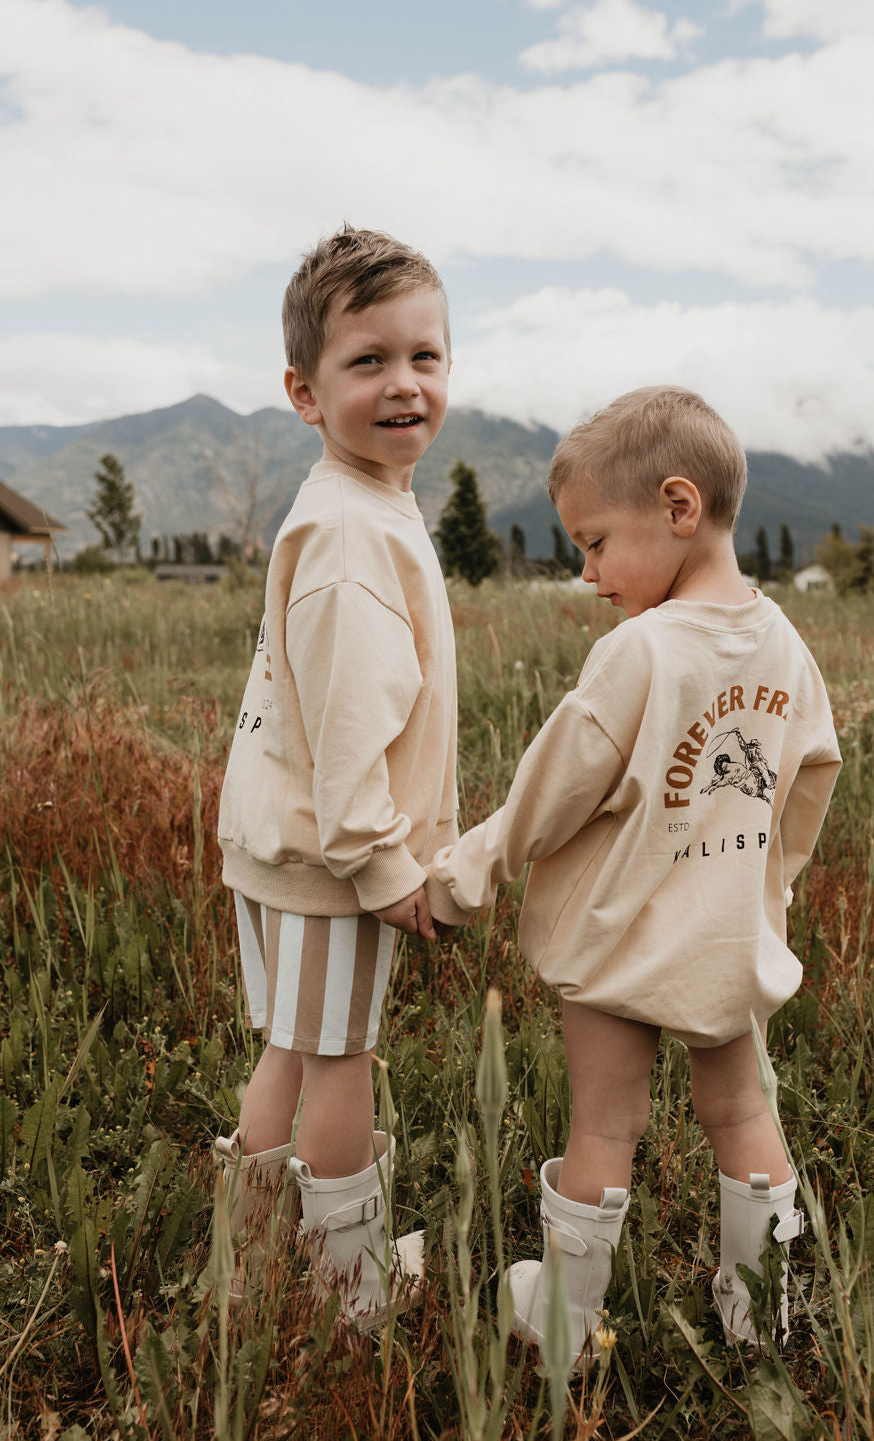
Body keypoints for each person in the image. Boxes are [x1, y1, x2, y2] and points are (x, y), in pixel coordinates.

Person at [426, 386, 841, 1362]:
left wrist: (459, 877)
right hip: (728, 941)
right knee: (742, 1111)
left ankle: (560, 1322)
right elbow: (807, 783)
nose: (586, 571)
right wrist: (765, 895)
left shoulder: (639, 651)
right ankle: (762, 1314)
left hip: (617, 941)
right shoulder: (788, 644)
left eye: (596, 541)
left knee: (604, 1128)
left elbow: (545, 794)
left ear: (678, 506)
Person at [214, 226, 456, 1321]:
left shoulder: (356, 505)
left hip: (282, 838)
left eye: (425, 355)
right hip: (333, 852)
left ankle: (251, 1261)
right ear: (306, 392)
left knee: (295, 1045)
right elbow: (354, 723)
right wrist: (382, 863)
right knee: (340, 1061)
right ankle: (345, 1293)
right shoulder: (355, 532)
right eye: (368, 361)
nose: (403, 383)